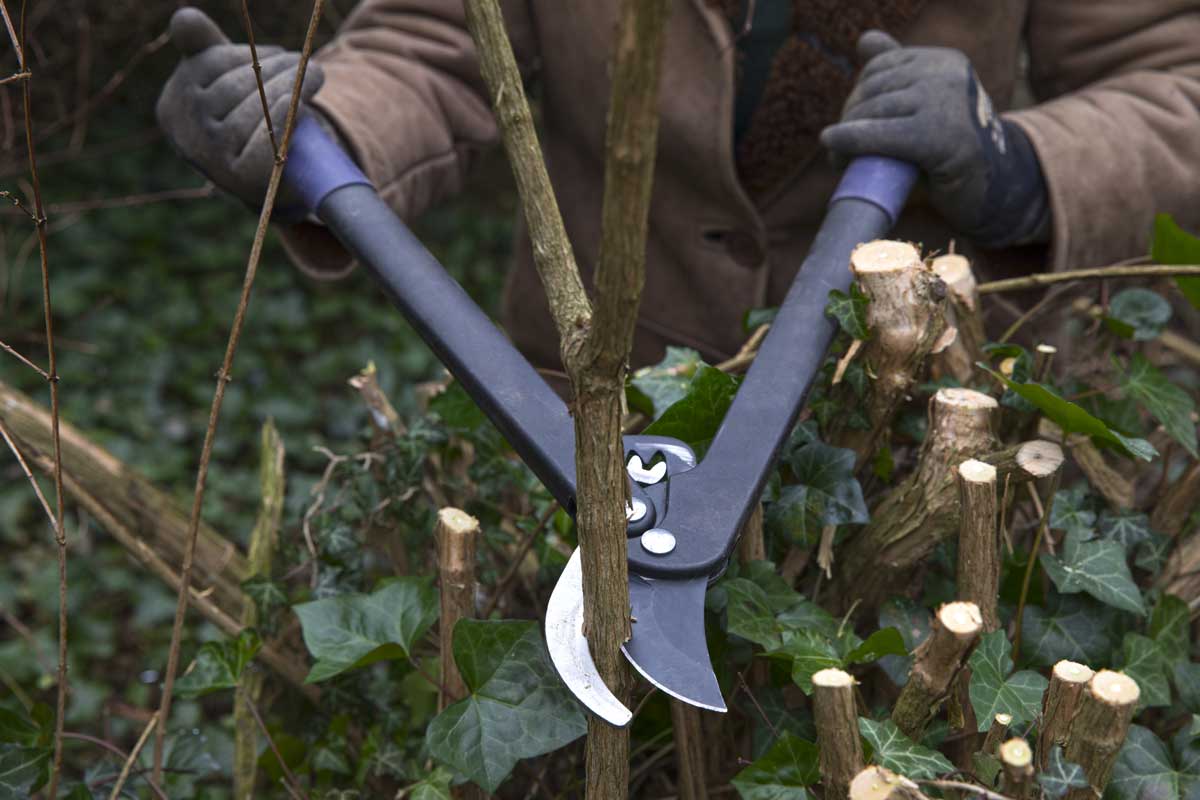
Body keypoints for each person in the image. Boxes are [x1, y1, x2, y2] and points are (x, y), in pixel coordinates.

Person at [158, 1, 1200, 373]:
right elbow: (435, 45)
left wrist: (1017, 167)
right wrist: (318, 131)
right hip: (589, 424)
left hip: (914, 439)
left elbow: (1176, 78)